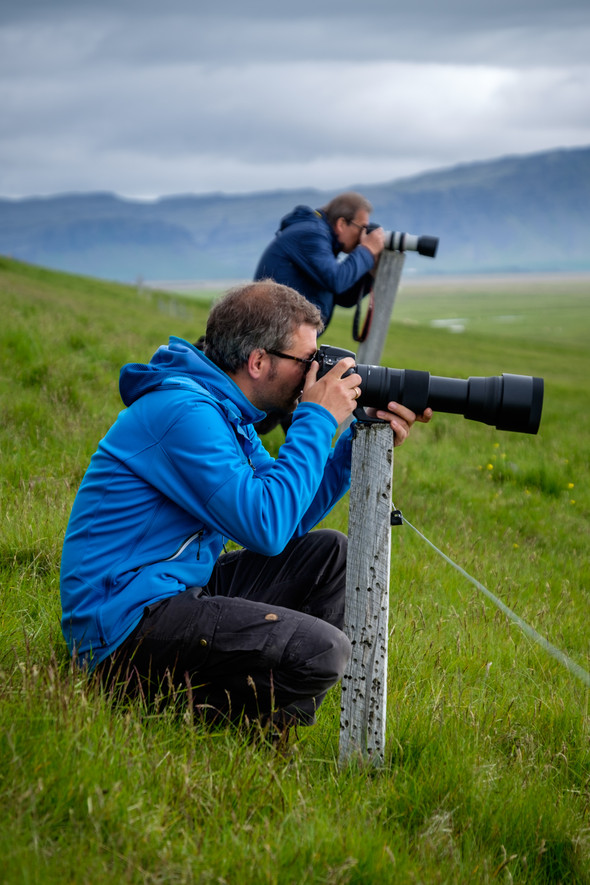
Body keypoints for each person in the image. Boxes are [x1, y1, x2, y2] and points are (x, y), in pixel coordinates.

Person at [60, 280, 431, 736]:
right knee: (321, 650)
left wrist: (355, 443)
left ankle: (268, 730)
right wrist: (315, 419)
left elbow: (286, 515)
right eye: (306, 361)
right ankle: (210, 725)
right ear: (258, 361)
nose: (314, 374)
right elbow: (267, 526)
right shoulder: (184, 413)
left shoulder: (223, 411)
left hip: (171, 590)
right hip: (123, 629)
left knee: (330, 556)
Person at [254, 191, 385, 330]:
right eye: (362, 228)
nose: (362, 236)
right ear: (341, 223)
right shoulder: (311, 234)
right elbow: (336, 280)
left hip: (282, 331)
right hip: (275, 333)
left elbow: (343, 297)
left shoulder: (320, 236)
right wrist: (367, 251)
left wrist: (370, 270)